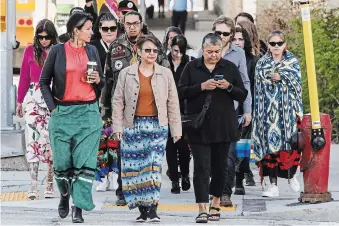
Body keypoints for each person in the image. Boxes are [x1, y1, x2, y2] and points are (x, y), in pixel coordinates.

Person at [39, 13, 105, 223]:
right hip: (63, 113)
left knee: (83, 162)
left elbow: (101, 83)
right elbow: (43, 82)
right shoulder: (58, 51)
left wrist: (97, 80)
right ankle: (65, 194)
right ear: (76, 30)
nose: (91, 32)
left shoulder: (92, 50)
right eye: (88, 28)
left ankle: (79, 207)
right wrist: (53, 109)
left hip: (88, 113)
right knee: (62, 162)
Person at [101, 10, 169, 206]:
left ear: (141, 23)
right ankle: (123, 190)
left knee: (148, 154)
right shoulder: (116, 47)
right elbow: (108, 80)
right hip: (124, 109)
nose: (132, 27)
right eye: (128, 23)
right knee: (124, 151)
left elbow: (165, 75)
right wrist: (106, 112)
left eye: (135, 23)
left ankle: (146, 190)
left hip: (150, 108)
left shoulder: (153, 44)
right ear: (123, 24)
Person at [178, 33, 248, 223]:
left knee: (220, 167)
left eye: (217, 52)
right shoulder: (192, 67)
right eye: (209, 52)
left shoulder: (229, 68)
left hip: (223, 126)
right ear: (202, 50)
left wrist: (228, 87)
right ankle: (201, 207)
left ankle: (215, 203)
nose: (214, 55)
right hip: (198, 127)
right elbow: (180, 92)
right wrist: (201, 86)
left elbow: (242, 94)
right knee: (201, 167)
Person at [112, 34, 182, 222]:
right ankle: (142, 210)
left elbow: (173, 103)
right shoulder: (126, 73)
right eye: (147, 50)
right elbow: (118, 101)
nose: (151, 53)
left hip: (157, 127)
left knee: (153, 167)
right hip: (132, 126)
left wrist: (176, 130)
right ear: (139, 51)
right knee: (135, 170)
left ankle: (153, 209)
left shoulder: (165, 74)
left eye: (155, 51)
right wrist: (117, 126)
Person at [252, 30, 303, 198]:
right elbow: (258, 89)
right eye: (272, 43)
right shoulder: (262, 63)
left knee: (291, 147)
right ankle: (273, 185)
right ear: (268, 45)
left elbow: (297, 83)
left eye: (279, 43)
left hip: (287, 113)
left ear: (284, 44)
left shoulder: (292, 62)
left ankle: (292, 176)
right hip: (268, 114)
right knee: (270, 151)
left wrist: (282, 77)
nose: (276, 47)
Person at [210, 16, 252, 207]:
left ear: (231, 35)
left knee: (228, 154)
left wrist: (247, 110)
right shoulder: (205, 50)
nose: (222, 36)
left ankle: (224, 193)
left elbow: (245, 83)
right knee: (211, 155)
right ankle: (213, 188)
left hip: (230, 110)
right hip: (208, 111)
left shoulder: (238, 54)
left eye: (226, 33)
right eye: (218, 32)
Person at [16, 19, 58, 200]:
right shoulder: (29, 51)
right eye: (40, 37)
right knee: (32, 139)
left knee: (50, 140)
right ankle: (33, 184)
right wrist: (19, 102)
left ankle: (49, 180)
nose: (43, 40)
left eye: (47, 37)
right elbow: (24, 78)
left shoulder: (58, 51)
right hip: (33, 98)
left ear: (53, 36)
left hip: (53, 99)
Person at [90, 12, 119, 192]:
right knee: (100, 140)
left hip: (118, 101)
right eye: (105, 28)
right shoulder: (92, 48)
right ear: (99, 29)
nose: (109, 32)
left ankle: (115, 174)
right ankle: (101, 176)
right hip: (97, 100)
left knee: (115, 139)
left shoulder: (123, 47)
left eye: (112, 28)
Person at [232, 27, 259, 194]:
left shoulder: (253, 61)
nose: (237, 42)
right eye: (234, 39)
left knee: (243, 145)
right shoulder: (225, 59)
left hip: (246, 107)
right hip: (228, 108)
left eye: (240, 39)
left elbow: (254, 86)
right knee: (229, 146)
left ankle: (240, 179)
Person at [166, 35, 192, 194]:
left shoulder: (189, 62)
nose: (178, 54)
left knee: (183, 146)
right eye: (175, 50)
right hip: (167, 107)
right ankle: (174, 180)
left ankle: (186, 174)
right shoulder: (164, 61)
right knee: (170, 145)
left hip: (184, 109)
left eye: (181, 51)